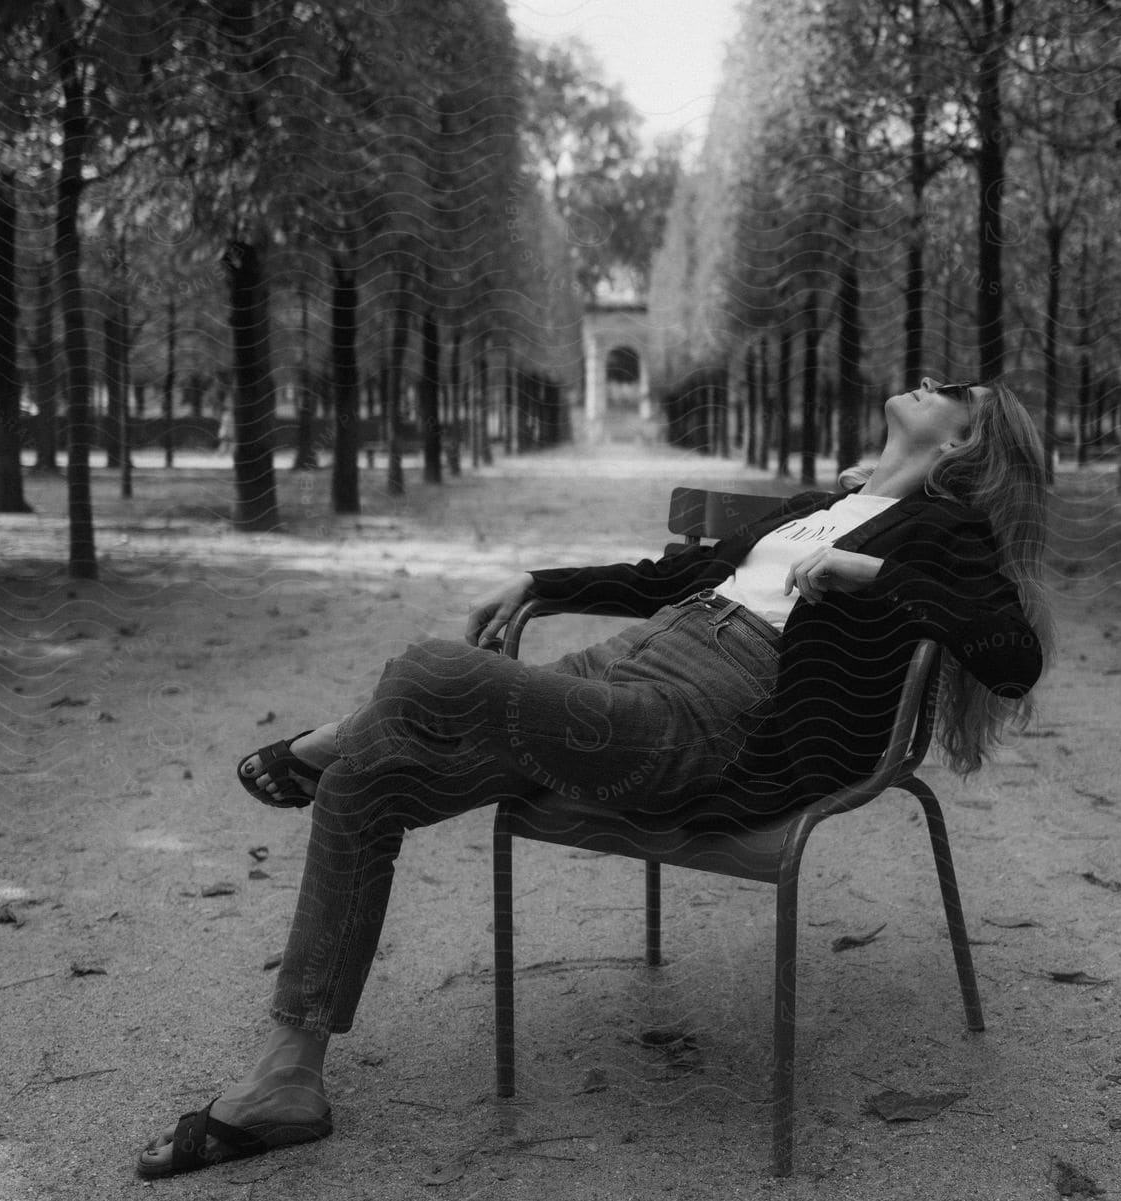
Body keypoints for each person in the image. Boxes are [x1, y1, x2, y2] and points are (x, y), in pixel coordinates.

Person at [135, 377, 1054, 1177]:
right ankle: (286, 1078)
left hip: (708, 718)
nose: (929, 377)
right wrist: (540, 579)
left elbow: (1008, 652)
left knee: (431, 670)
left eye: (953, 390)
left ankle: (321, 742)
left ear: (965, 439)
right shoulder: (820, 499)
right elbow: (674, 574)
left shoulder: (944, 529)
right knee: (367, 780)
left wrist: (871, 572)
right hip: (630, 662)